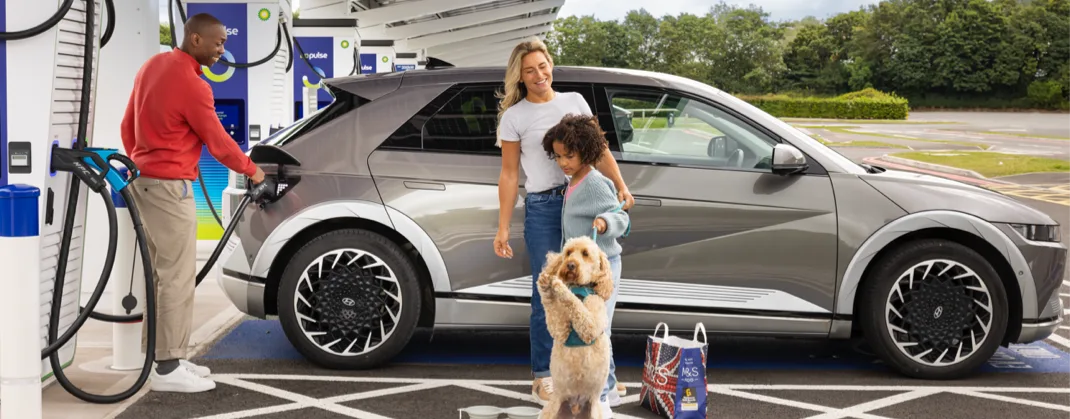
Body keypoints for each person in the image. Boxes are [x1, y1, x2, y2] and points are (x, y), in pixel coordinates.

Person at [120, 12, 265, 393]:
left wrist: (142, 158)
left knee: (161, 276)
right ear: (195, 39)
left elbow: (126, 123)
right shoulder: (192, 84)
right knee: (176, 277)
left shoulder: (153, 66)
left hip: (145, 182)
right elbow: (218, 141)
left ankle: (164, 358)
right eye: (217, 42)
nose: (222, 50)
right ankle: (167, 369)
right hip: (169, 189)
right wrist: (255, 172)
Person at [492, 37, 634, 408]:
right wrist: (503, 227)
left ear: (550, 64)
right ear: (519, 77)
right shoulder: (515, 117)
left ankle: (607, 375)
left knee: (593, 291)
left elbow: (597, 149)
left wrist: (620, 185)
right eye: (529, 70)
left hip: (581, 200)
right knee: (550, 292)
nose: (539, 75)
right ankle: (543, 377)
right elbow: (509, 175)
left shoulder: (573, 102)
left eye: (542, 66)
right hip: (542, 207)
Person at [541, 114, 630, 418]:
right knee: (601, 328)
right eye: (559, 156)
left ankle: (600, 398)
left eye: (570, 155)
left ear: (586, 151)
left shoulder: (593, 183)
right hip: (582, 270)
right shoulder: (574, 180)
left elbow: (623, 219)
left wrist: (605, 223)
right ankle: (612, 387)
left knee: (596, 332)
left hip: (603, 269)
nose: (563, 162)